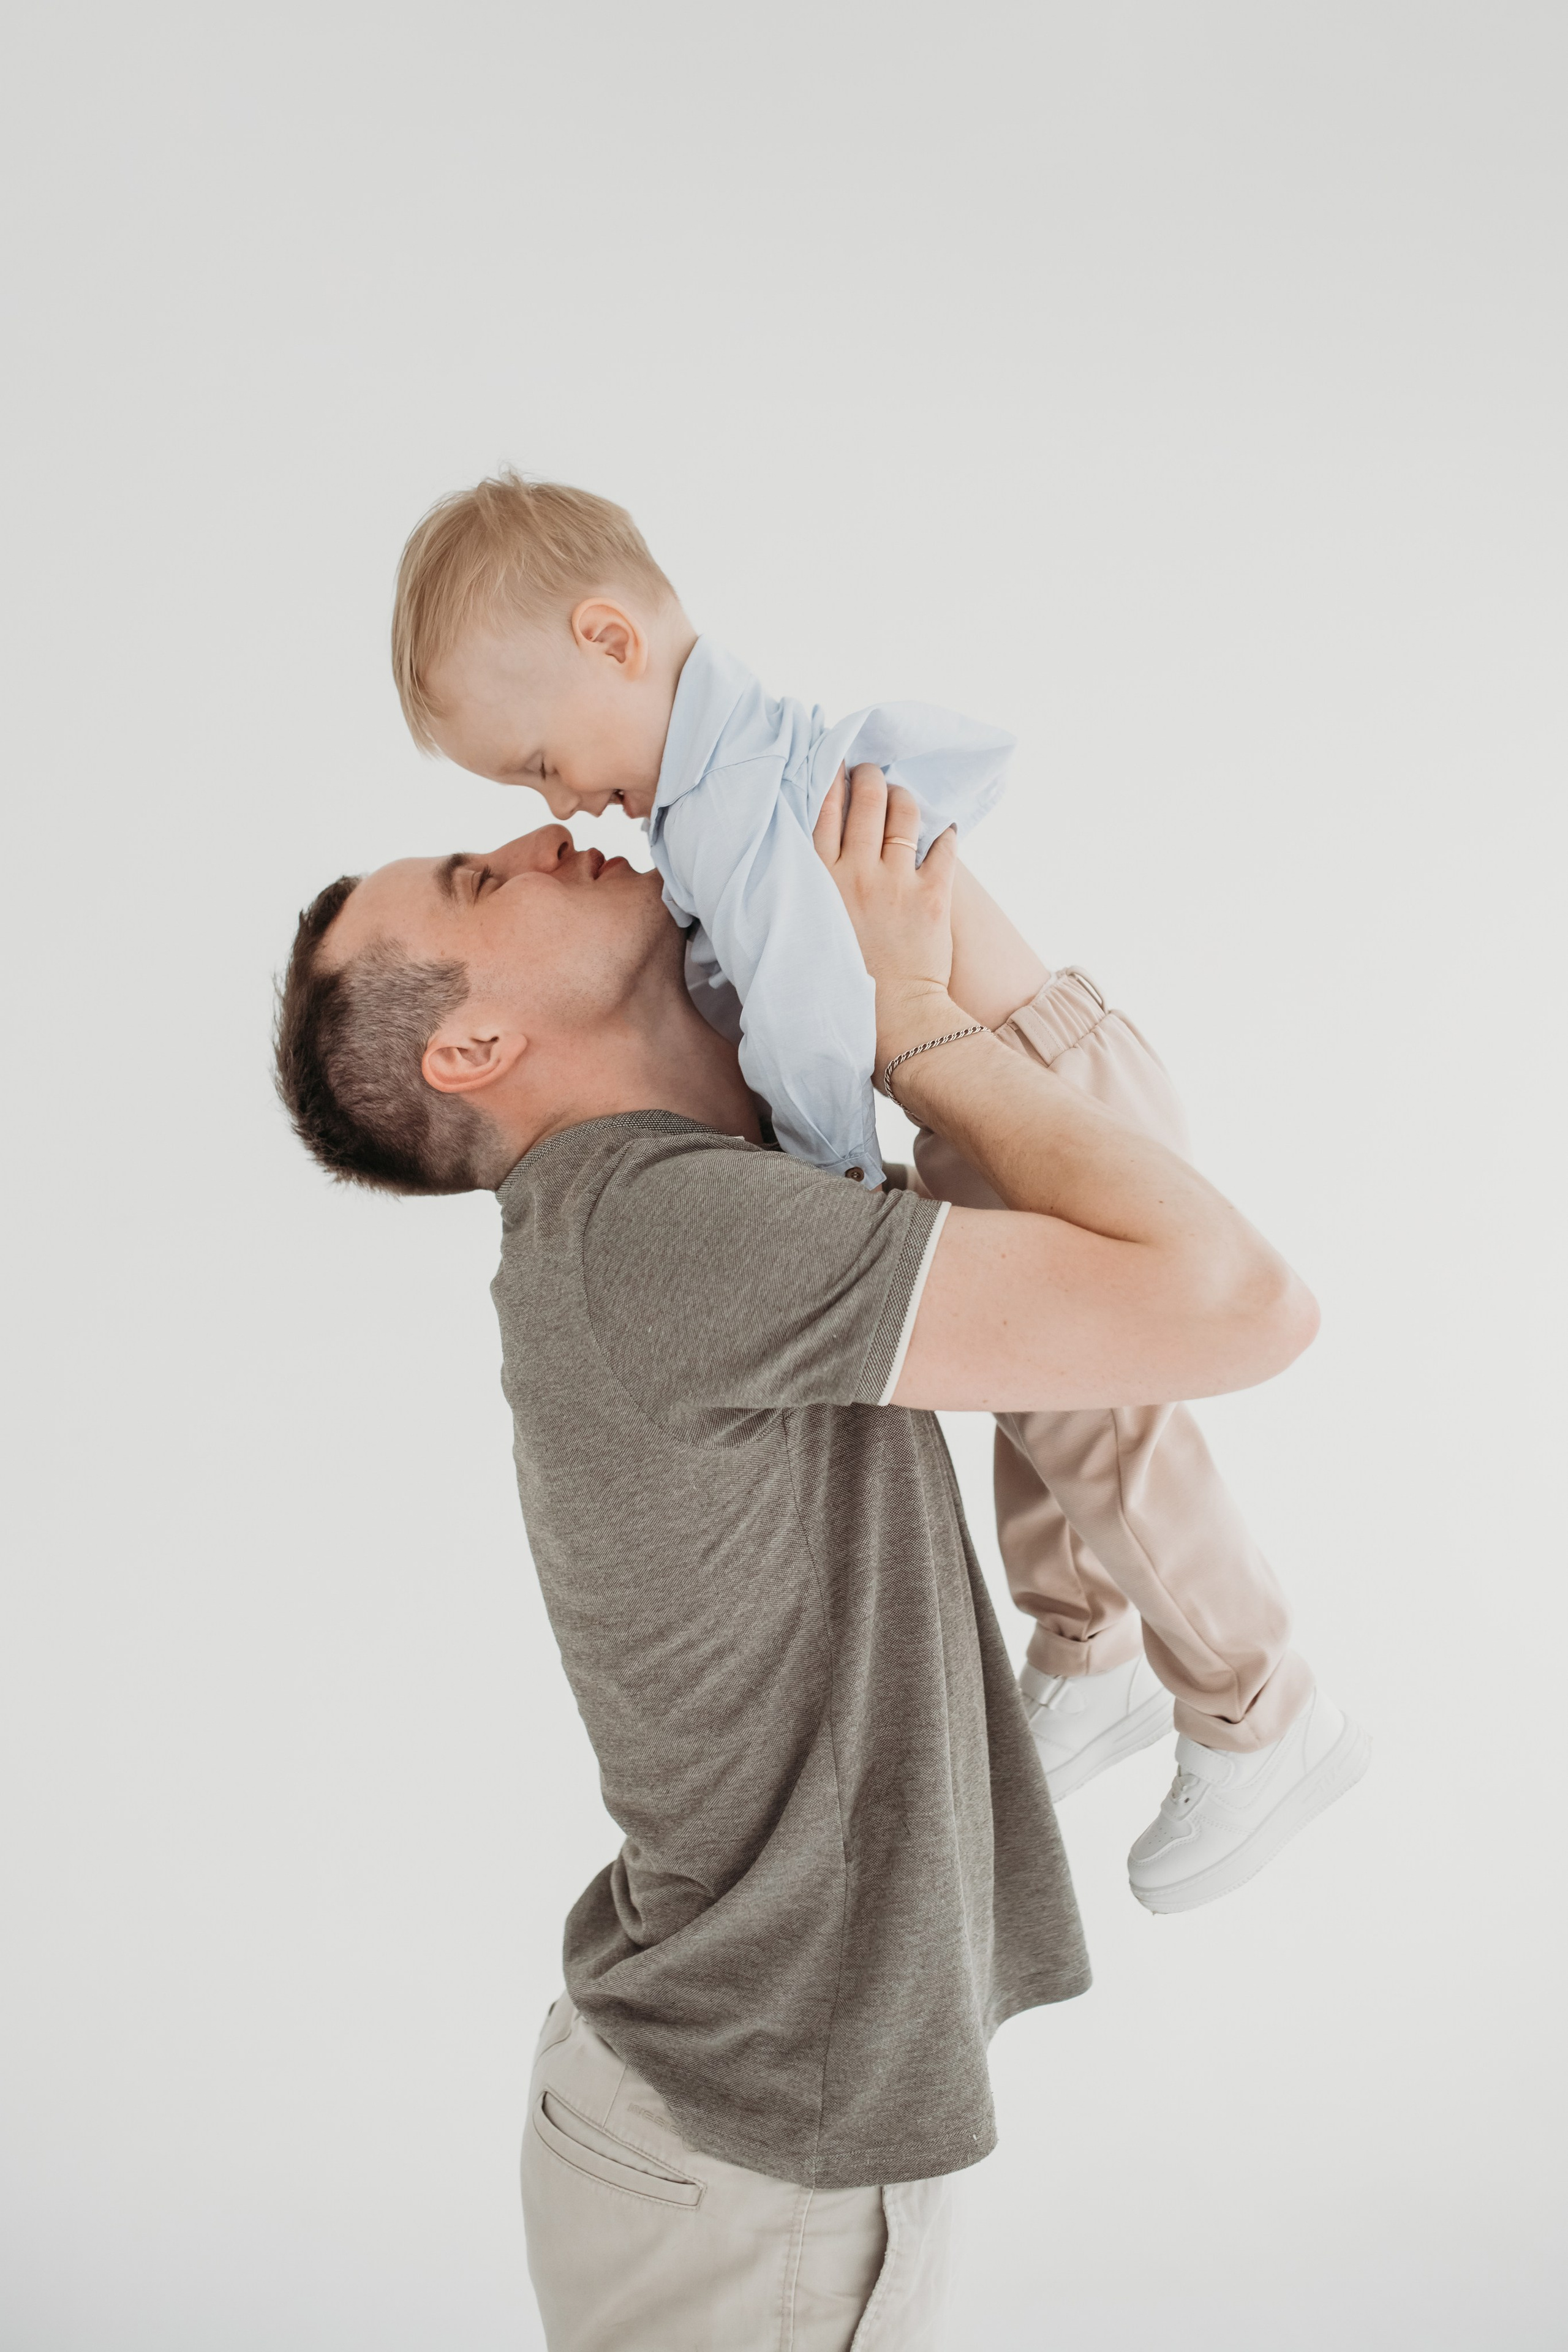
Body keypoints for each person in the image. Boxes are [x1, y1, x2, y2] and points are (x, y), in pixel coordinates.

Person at [274, 766, 1325, 2346]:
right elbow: (1241, 1305)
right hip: (744, 2174)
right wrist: (911, 1018)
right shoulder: (662, 1238)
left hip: (728, 2139)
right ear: (472, 1051)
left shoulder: (679, 1208)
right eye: (480, 882)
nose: (540, 832)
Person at [383, 473, 1368, 1906]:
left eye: (540, 762)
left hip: (1035, 1087)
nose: (561, 804)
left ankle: (1260, 1711)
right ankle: (1087, 1651)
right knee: (1040, 1403)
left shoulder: (724, 808)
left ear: (609, 640)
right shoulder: (728, 767)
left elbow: (806, 1017)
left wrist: (825, 1180)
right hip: (1012, 1078)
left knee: (1106, 1442)